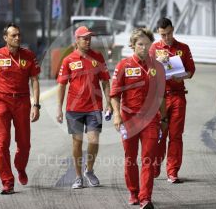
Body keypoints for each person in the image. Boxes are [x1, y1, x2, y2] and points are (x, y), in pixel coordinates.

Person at [0, 23, 41, 194]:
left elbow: (35, 80)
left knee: (24, 144)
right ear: (5, 38)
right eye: (13, 35)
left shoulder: (28, 55)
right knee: (2, 144)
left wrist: (36, 105)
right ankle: (7, 181)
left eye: (19, 35)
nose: (17, 38)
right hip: (2, 102)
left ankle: (20, 167)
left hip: (22, 102)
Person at [111, 28, 166, 209]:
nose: (144, 48)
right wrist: (117, 115)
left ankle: (145, 198)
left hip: (151, 119)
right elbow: (114, 94)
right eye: (140, 44)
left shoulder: (157, 67)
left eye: (147, 44)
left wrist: (164, 118)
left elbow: (160, 96)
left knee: (148, 159)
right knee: (130, 158)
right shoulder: (123, 66)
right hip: (129, 119)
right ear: (133, 45)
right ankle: (134, 192)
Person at [56, 26, 112, 189]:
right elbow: (61, 85)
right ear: (77, 40)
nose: (88, 41)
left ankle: (89, 170)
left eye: (89, 38)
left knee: (93, 140)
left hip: (94, 107)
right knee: (77, 143)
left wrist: (109, 103)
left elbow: (105, 82)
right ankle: (78, 176)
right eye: (84, 38)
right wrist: (59, 108)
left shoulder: (98, 57)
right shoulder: (68, 60)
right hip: (74, 109)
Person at [149, 17, 196, 183]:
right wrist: (155, 63)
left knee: (176, 135)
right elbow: (146, 72)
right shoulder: (153, 48)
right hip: (159, 97)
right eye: (163, 35)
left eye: (168, 33)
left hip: (177, 95)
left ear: (173, 30)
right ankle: (155, 165)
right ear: (158, 33)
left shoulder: (183, 48)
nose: (166, 38)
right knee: (159, 134)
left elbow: (191, 71)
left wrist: (180, 76)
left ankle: (173, 171)